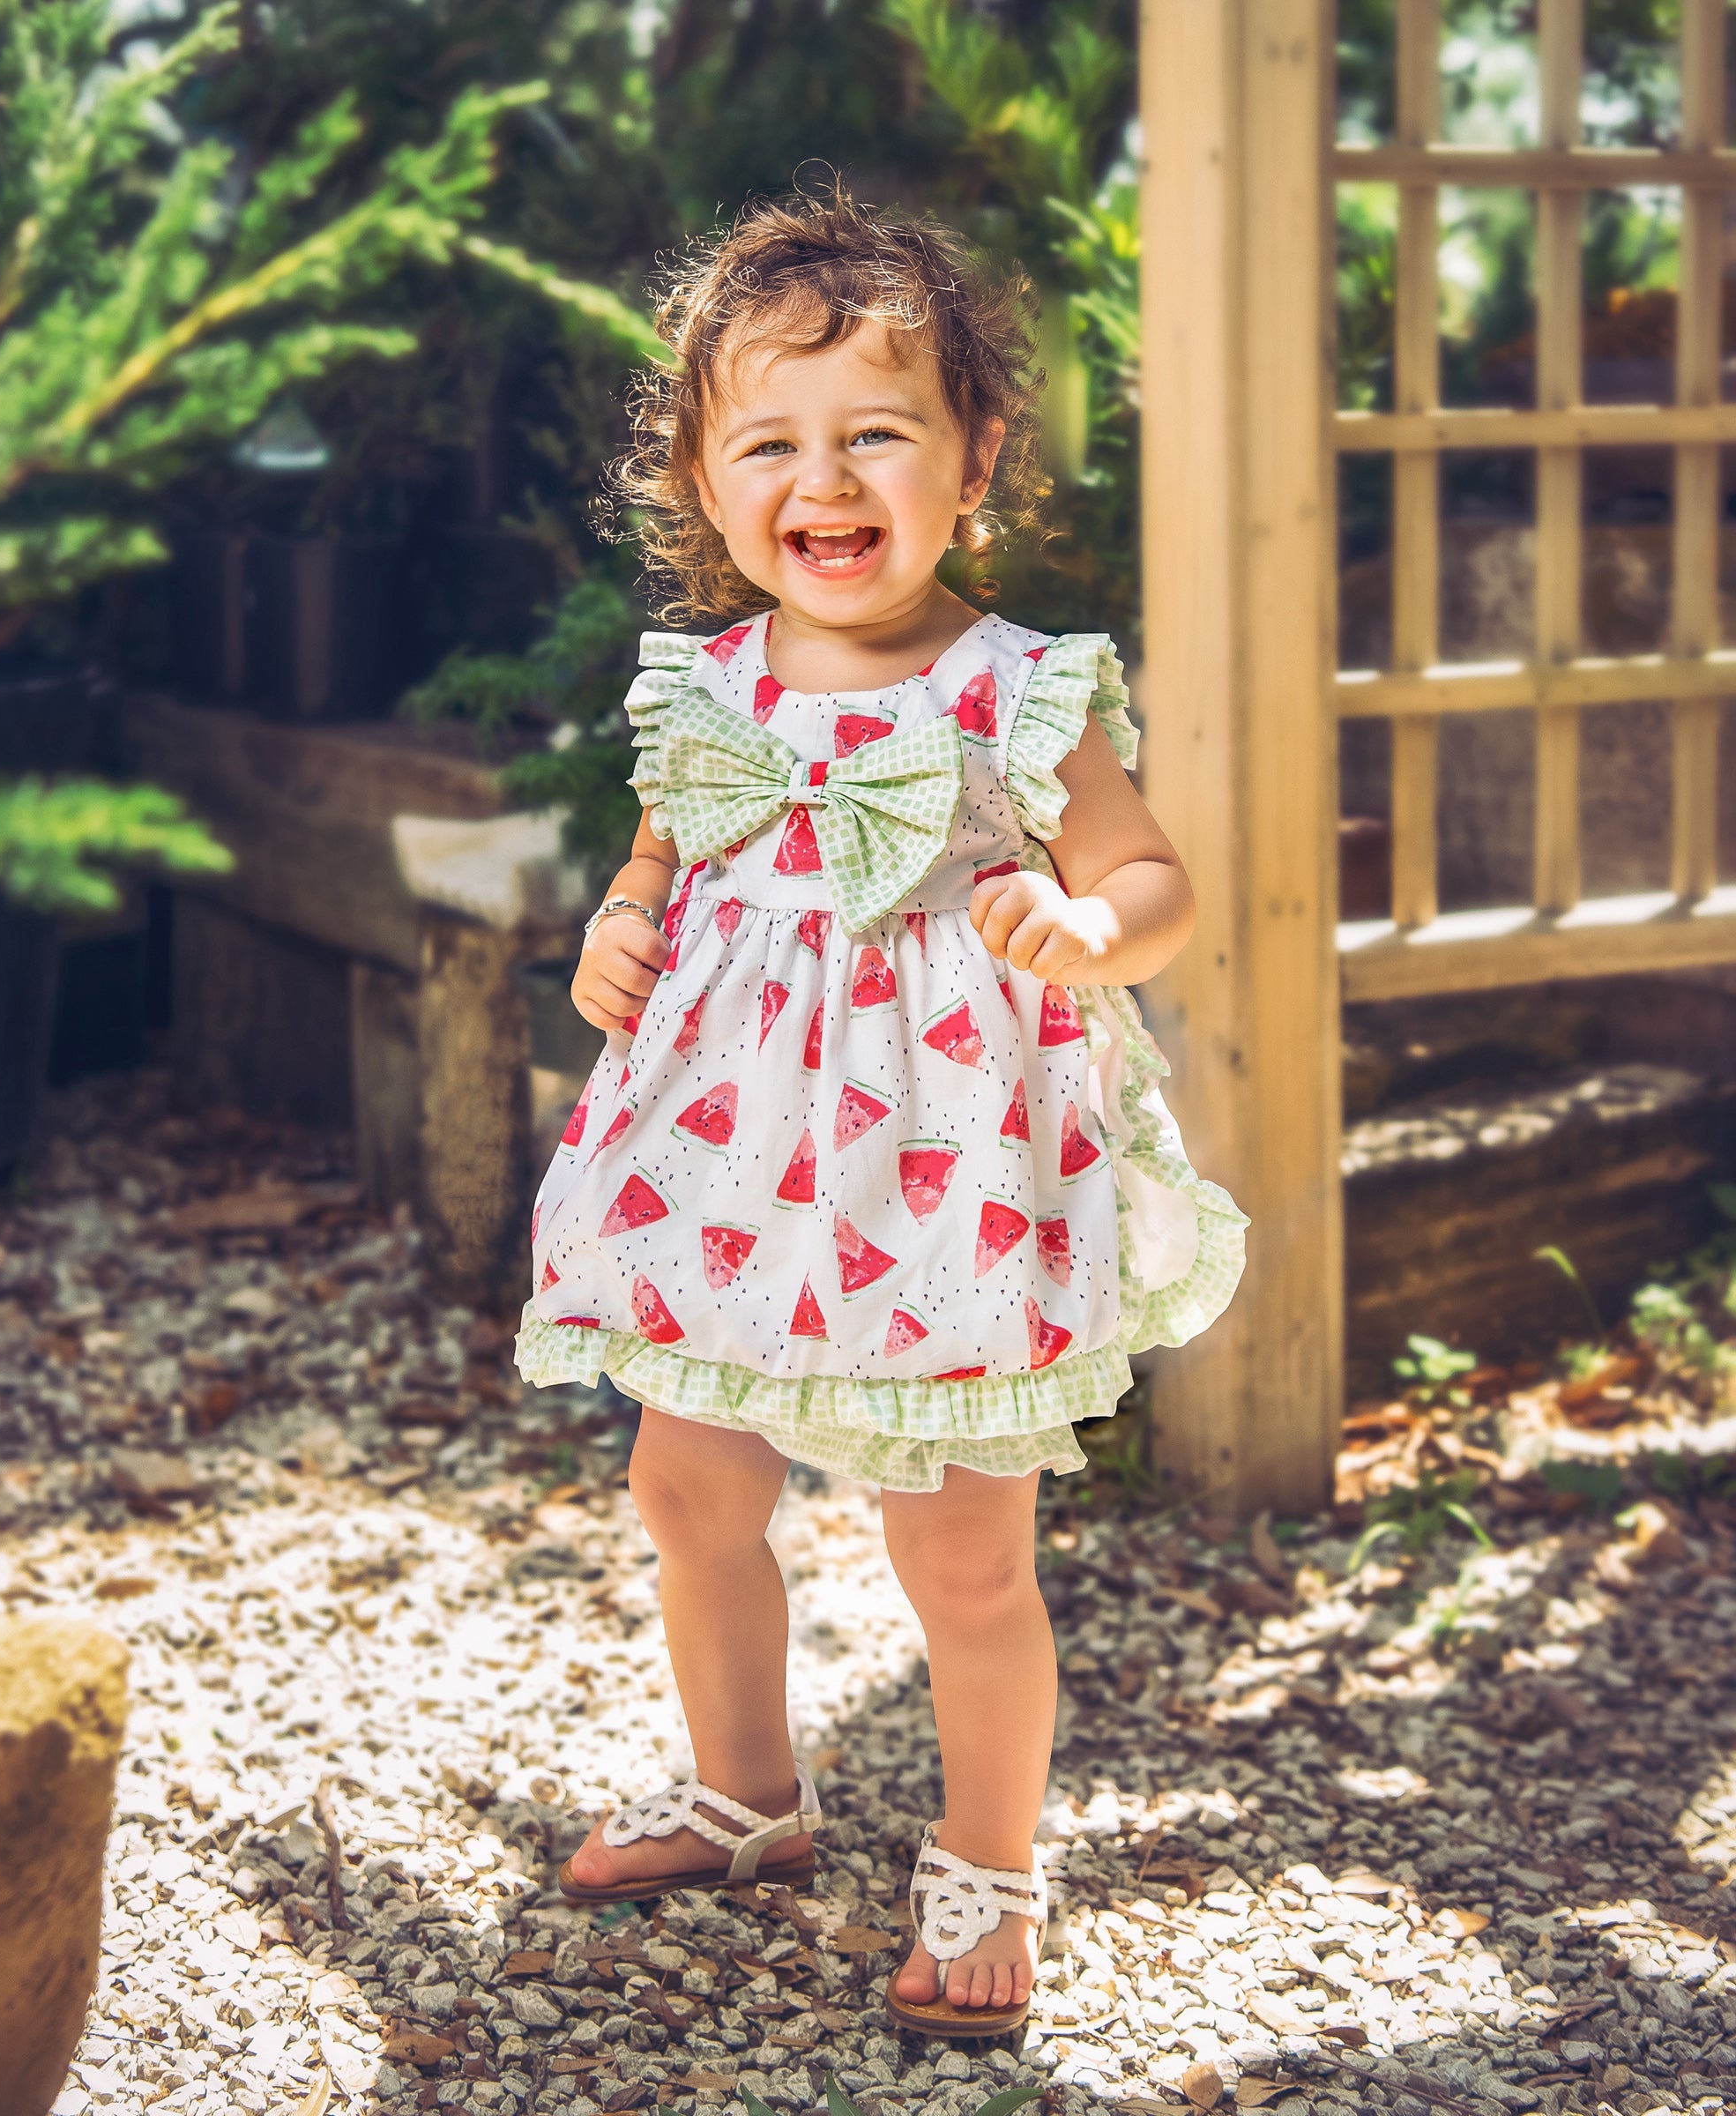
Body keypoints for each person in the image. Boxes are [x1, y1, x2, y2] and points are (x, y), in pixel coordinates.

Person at [515, 188, 1246, 2038]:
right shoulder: (706, 689)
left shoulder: (1017, 695)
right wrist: (616, 931)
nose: (820, 479)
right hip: (733, 1170)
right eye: (769, 439)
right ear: (702, 472)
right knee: (682, 1483)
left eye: (875, 433)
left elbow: (1156, 879)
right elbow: (657, 861)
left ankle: (991, 1863)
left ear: (973, 455)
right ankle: (749, 1792)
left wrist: (1088, 924)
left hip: (946, 1184)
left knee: (962, 1553)